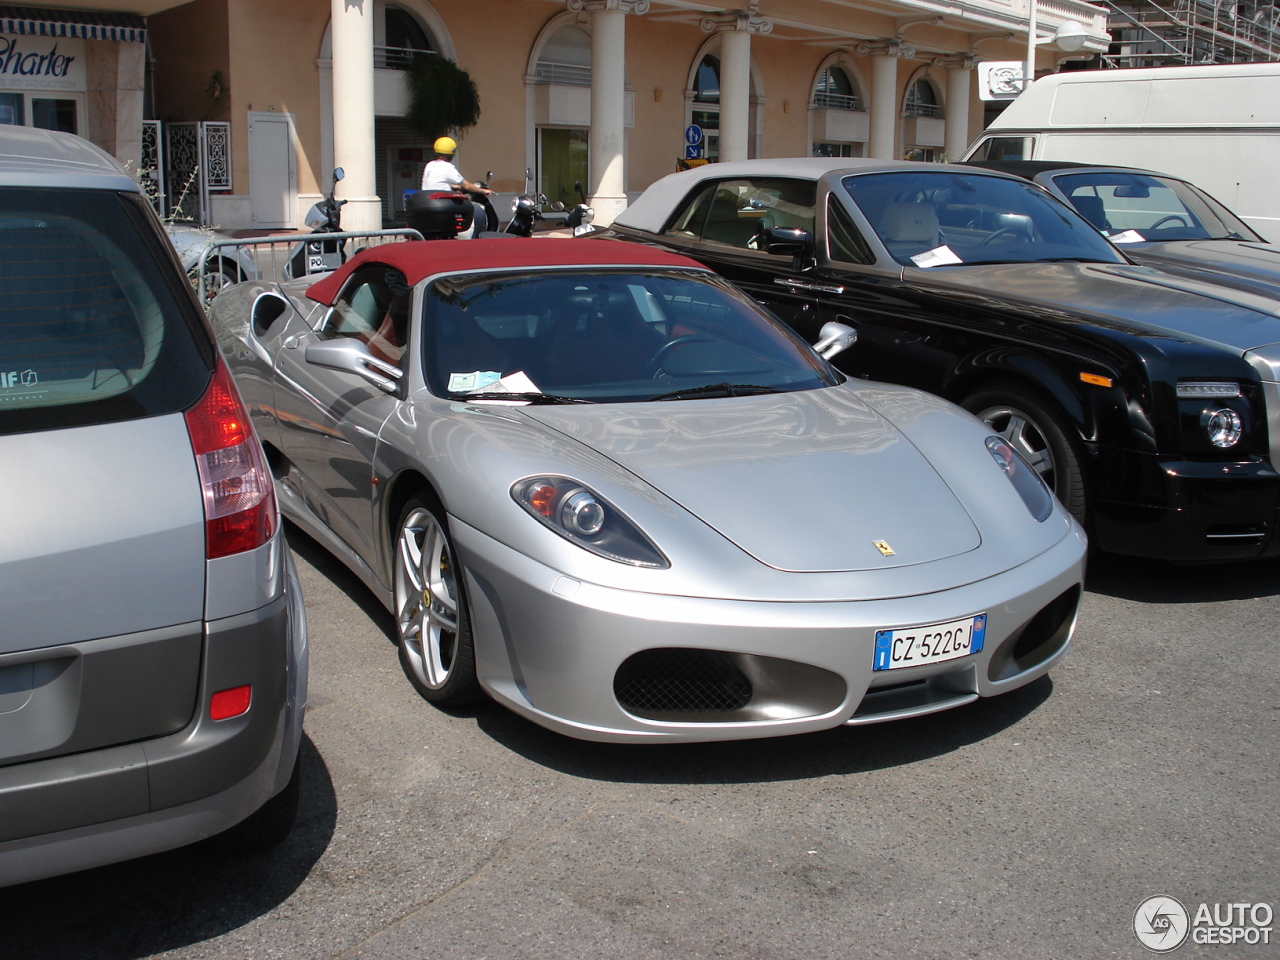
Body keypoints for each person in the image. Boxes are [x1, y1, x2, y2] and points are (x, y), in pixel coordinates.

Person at [421, 136, 494, 232]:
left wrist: (454, 187)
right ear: (451, 153)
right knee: (469, 207)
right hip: (443, 205)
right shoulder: (447, 167)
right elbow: (466, 185)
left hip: (428, 203)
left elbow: (437, 182)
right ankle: (468, 232)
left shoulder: (430, 165)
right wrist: (483, 191)